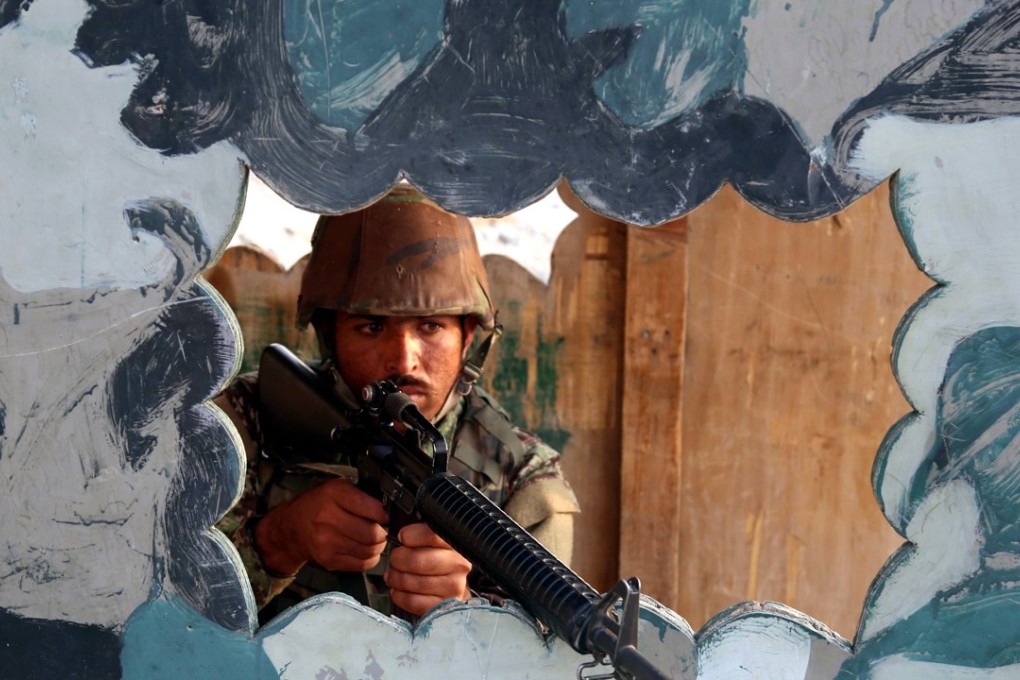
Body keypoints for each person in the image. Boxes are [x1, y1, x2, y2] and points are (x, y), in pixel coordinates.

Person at [215, 185, 580, 623]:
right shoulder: (244, 419)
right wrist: (279, 543)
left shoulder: (525, 478)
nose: (403, 361)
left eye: (430, 326)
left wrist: (463, 613)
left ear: (467, 337)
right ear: (329, 334)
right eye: (371, 327)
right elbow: (167, 608)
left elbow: (543, 656)